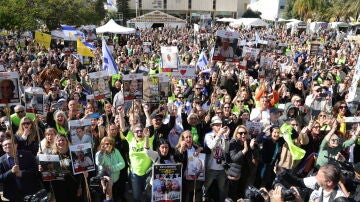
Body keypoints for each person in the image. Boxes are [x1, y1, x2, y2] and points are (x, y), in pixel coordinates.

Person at [202, 116, 230, 202]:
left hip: (221, 169)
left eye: (220, 125)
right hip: (211, 168)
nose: (219, 126)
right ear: (212, 126)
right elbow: (211, 146)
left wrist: (225, 138)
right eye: (216, 125)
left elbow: (226, 150)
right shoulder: (208, 135)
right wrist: (218, 135)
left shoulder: (223, 135)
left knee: (222, 190)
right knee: (205, 188)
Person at [95, 136, 126, 202]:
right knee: (106, 198)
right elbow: (99, 163)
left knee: (114, 197)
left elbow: (123, 164)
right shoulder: (99, 153)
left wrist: (112, 168)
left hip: (115, 180)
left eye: (110, 143)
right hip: (105, 182)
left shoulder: (116, 151)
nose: (109, 145)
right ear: (102, 145)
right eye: (107, 143)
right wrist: (102, 153)